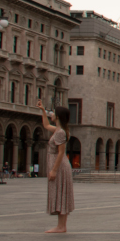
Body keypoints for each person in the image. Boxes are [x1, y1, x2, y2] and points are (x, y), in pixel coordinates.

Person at [37, 100, 74, 233]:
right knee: (60, 193)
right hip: (58, 165)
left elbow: (61, 153)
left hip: (59, 166)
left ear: (58, 116)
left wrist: (54, 170)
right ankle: (61, 226)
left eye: (53, 113)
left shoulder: (60, 133)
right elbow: (46, 125)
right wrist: (42, 110)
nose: (51, 114)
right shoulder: (59, 130)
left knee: (61, 193)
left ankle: (61, 226)